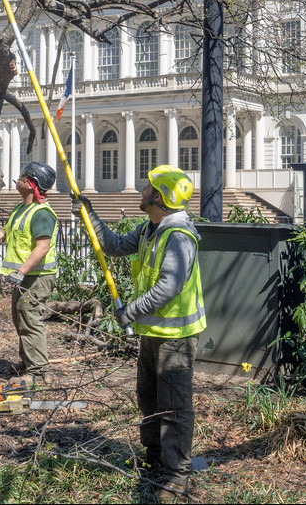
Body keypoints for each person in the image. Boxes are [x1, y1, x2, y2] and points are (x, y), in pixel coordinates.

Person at [74, 164, 204, 502]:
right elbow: (114, 246)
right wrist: (90, 216)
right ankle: (155, 458)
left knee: (174, 406)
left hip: (175, 337)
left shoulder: (177, 236)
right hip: (153, 332)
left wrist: (130, 312)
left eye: (148, 187)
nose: (142, 191)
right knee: (148, 396)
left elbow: (168, 287)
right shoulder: (150, 228)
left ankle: (176, 476)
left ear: (158, 198)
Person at [0, 161, 59, 389]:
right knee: (20, 319)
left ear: (31, 183)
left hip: (37, 277)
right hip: (25, 277)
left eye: (21, 177)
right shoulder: (21, 209)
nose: (16, 179)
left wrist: (20, 271)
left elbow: (42, 247)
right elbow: (3, 233)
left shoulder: (41, 214)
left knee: (29, 320)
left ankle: (38, 372)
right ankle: (29, 363)